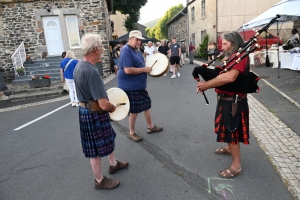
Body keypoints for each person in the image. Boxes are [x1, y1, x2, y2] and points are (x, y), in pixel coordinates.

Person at [73, 33, 128, 190]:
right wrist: (113, 107)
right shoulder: (91, 71)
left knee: (108, 138)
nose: (103, 49)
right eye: (102, 47)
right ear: (95, 49)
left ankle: (114, 164)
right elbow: (104, 105)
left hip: (86, 111)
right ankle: (99, 180)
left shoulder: (79, 65)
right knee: (95, 150)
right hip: (94, 113)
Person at [196, 31, 249, 179]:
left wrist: (206, 85)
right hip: (227, 100)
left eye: (225, 43)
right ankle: (228, 148)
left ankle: (236, 166)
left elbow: (230, 77)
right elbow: (220, 74)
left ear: (234, 43)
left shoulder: (240, 56)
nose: (222, 46)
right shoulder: (232, 57)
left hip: (233, 102)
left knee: (232, 132)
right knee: (227, 129)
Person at [118, 30, 163, 142]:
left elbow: (140, 64)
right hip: (130, 86)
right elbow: (128, 70)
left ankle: (150, 127)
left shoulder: (136, 50)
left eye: (140, 40)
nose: (139, 42)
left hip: (139, 85)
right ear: (130, 38)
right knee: (134, 110)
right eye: (137, 39)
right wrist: (144, 69)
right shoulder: (125, 50)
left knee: (146, 105)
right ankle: (132, 132)